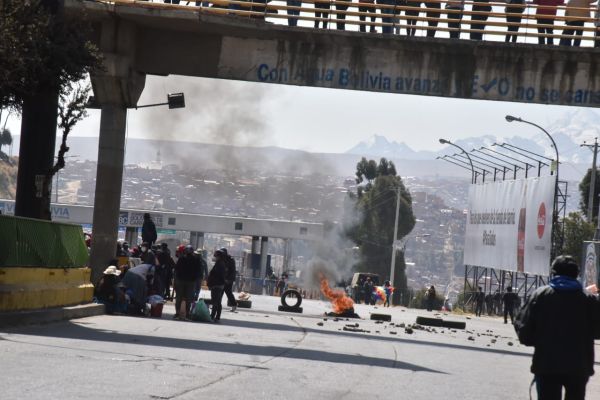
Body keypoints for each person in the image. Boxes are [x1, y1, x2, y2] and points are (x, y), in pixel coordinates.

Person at [514, 255, 600, 399]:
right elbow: (598, 331)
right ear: (576, 275)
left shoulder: (540, 295)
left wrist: (541, 340)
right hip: (579, 367)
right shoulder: (588, 300)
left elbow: (524, 331)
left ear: (553, 273)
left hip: (546, 365)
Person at [174, 245, 202, 320]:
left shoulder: (181, 259)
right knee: (188, 298)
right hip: (190, 282)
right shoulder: (196, 260)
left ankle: (177, 313)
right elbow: (198, 271)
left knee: (179, 298)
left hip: (182, 281)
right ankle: (187, 314)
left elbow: (176, 269)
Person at [207, 249, 227, 322]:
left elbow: (217, 276)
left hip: (217, 286)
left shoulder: (220, 264)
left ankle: (213, 316)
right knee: (217, 302)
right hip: (217, 285)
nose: (215, 257)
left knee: (215, 302)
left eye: (216, 256)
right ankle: (217, 317)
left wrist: (212, 283)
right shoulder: (219, 263)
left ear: (219, 257)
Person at [219, 248, 238, 312]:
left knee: (228, 293)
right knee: (219, 293)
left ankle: (234, 305)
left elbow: (232, 271)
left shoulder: (230, 260)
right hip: (222, 279)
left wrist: (229, 279)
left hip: (228, 280)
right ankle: (217, 305)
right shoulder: (221, 259)